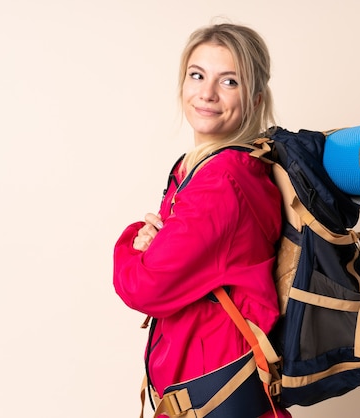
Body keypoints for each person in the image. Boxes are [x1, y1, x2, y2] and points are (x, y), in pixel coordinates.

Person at [113, 23, 291, 418]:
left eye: (229, 81)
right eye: (197, 75)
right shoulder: (200, 168)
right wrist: (150, 244)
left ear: (255, 98)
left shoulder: (222, 180)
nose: (207, 93)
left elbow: (145, 286)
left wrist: (131, 242)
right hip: (207, 395)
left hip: (219, 397)